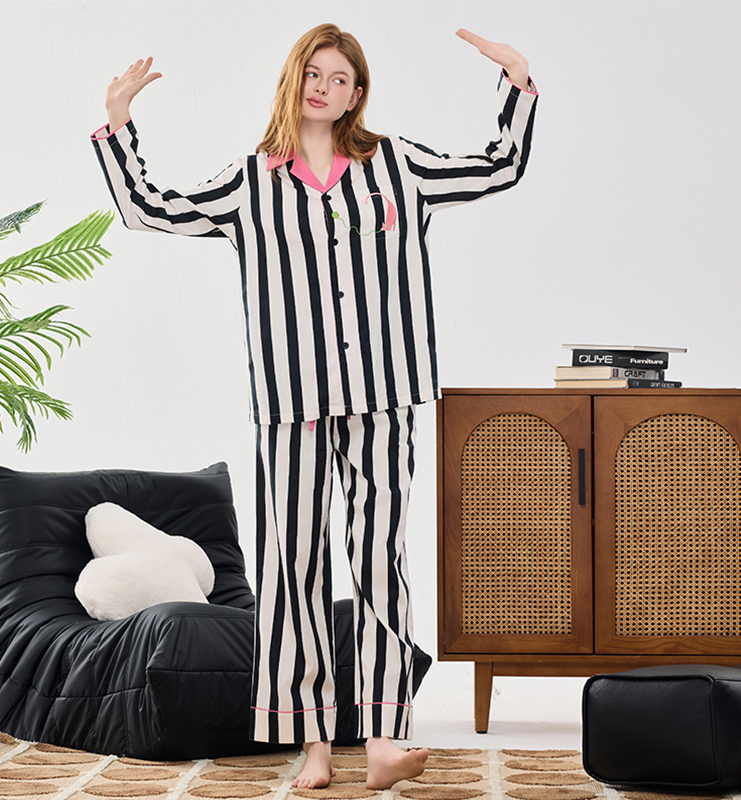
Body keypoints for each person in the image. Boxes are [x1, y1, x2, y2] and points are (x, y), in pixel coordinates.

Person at [91, 23, 536, 790]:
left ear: (357, 94)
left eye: (341, 78)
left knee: (380, 565)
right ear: (294, 79)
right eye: (315, 73)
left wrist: (517, 82)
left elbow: (499, 166)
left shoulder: (396, 165)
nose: (325, 87)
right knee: (292, 569)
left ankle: (384, 738)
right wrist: (118, 121)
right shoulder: (249, 181)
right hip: (290, 402)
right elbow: (147, 208)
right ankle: (314, 745)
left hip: (384, 396)